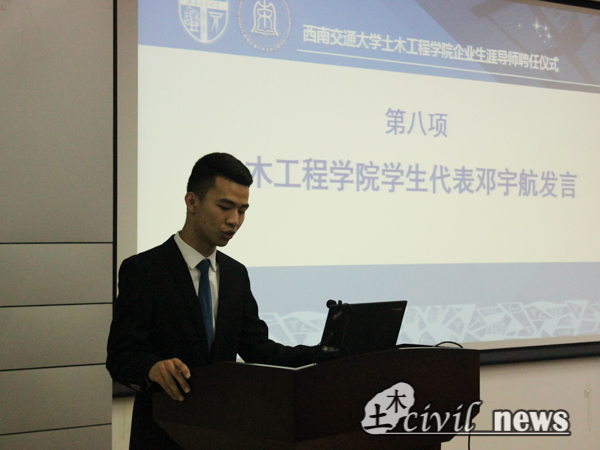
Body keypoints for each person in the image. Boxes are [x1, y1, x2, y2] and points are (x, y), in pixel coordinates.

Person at [106, 153, 317, 449]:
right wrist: (152, 367)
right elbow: (121, 356)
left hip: (222, 434)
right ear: (192, 202)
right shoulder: (144, 270)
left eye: (242, 210)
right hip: (162, 435)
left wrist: (323, 353)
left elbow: (260, 351)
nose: (234, 221)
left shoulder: (236, 274)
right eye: (225, 207)